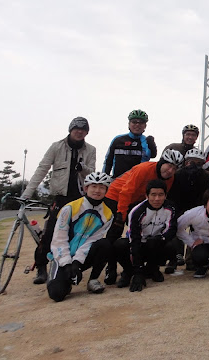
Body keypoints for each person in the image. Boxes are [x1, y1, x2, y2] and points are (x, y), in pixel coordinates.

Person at [22, 116, 96, 284]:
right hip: (61, 197)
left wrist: (82, 168)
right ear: (70, 130)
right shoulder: (56, 147)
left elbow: (91, 173)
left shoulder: (90, 150)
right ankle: (41, 268)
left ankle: (68, 268)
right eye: (76, 128)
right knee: (49, 233)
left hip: (80, 198)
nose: (79, 132)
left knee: (75, 234)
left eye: (83, 129)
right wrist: (28, 192)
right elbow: (42, 169)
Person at [103, 149, 183, 284]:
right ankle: (110, 268)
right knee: (114, 234)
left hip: (137, 200)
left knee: (144, 232)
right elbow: (126, 192)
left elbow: (161, 198)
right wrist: (120, 216)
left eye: (174, 168)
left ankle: (149, 266)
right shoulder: (144, 169)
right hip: (116, 196)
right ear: (161, 162)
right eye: (169, 165)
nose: (170, 170)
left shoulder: (170, 178)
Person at [46, 172, 114, 302]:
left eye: (102, 187)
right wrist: (66, 264)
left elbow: (92, 240)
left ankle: (93, 280)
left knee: (105, 244)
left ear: (106, 190)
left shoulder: (108, 214)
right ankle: (65, 279)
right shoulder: (70, 208)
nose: (97, 191)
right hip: (61, 256)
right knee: (57, 294)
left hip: (82, 257)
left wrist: (77, 263)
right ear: (86, 188)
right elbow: (59, 239)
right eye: (93, 186)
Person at [114, 179, 178, 291]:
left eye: (160, 195)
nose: (157, 199)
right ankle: (129, 271)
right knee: (119, 245)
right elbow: (134, 240)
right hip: (138, 245)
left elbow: (171, 229)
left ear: (165, 195)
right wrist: (138, 272)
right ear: (146, 195)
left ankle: (152, 268)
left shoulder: (170, 208)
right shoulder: (137, 212)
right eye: (153, 195)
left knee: (170, 245)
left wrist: (162, 238)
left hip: (156, 244)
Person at [165, 147, 209, 272]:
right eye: (191, 162)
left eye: (199, 163)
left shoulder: (206, 176)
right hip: (179, 205)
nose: (194, 165)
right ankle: (173, 259)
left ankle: (191, 260)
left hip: (196, 206)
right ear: (186, 162)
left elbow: (204, 194)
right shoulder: (177, 174)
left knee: (197, 231)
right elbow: (173, 194)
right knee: (174, 230)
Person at [103, 109, 157, 178]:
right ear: (129, 124)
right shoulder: (118, 140)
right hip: (117, 181)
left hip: (136, 182)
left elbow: (152, 155)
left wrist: (152, 144)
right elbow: (108, 161)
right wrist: (104, 179)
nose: (137, 125)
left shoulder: (146, 142)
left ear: (145, 126)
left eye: (141, 123)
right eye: (134, 122)